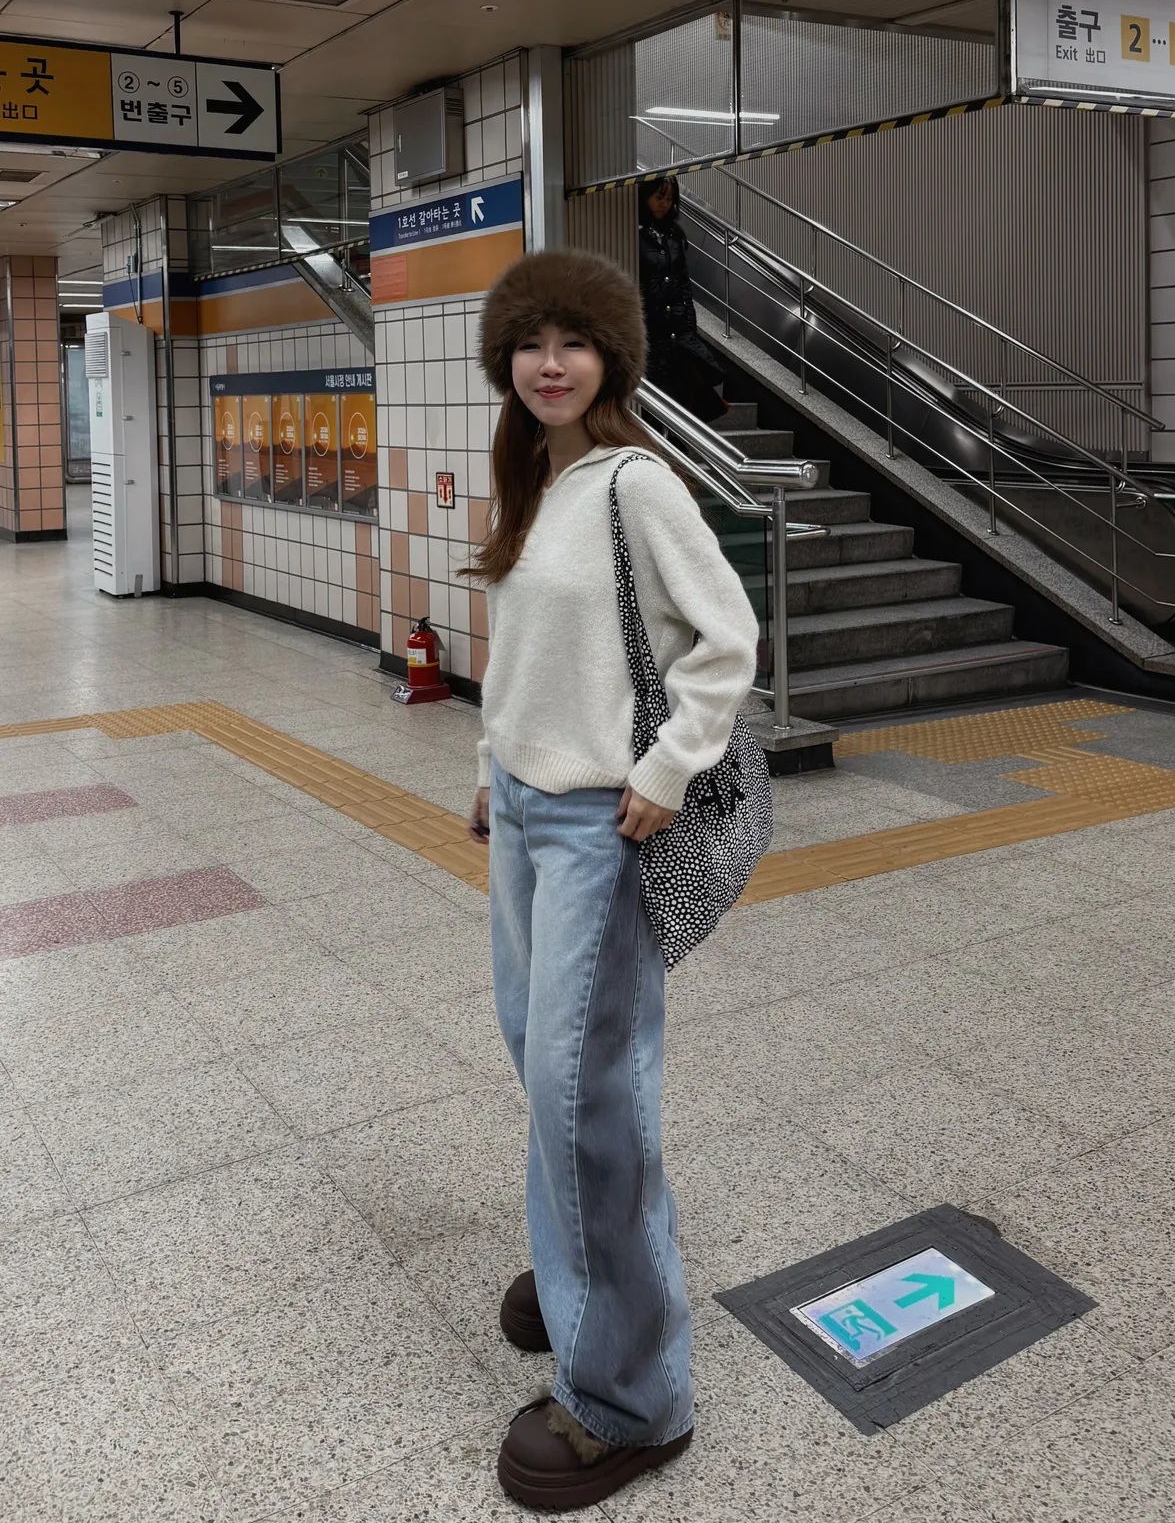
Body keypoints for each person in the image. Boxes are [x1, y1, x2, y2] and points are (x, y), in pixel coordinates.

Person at [464, 248, 759, 1510]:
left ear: (611, 360)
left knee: (586, 1091)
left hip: (607, 822)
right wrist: (492, 769)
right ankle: (575, 1273)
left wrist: (670, 766)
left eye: (574, 342)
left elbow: (726, 638)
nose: (551, 364)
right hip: (528, 811)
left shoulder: (638, 481)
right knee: (542, 1061)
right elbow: (522, 652)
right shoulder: (539, 479)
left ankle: (633, 1400)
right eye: (531, 343)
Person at [638, 175, 727, 422]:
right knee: (655, 412)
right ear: (645, 195)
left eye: (670, 198)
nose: (664, 203)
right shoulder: (632, 233)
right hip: (649, 337)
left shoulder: (674, 234)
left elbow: (683, 284)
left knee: (682, 410)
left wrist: (689, 327)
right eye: (659, 197)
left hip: (677, 339)